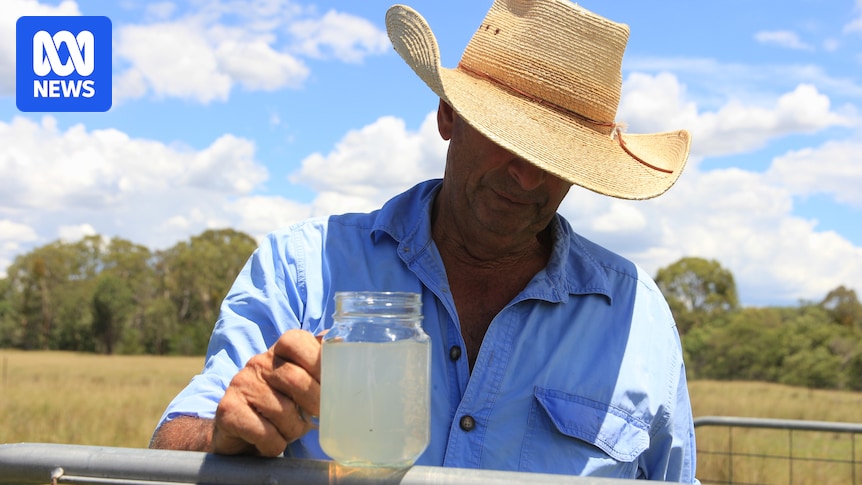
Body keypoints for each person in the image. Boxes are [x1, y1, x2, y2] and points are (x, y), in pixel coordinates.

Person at [151, 0, 698, 481]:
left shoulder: (636, 315)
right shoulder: (302, 268)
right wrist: (223, 435)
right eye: (507, 137)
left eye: (559, 159)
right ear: (447, 116)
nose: (528, 177)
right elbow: (168, 450)